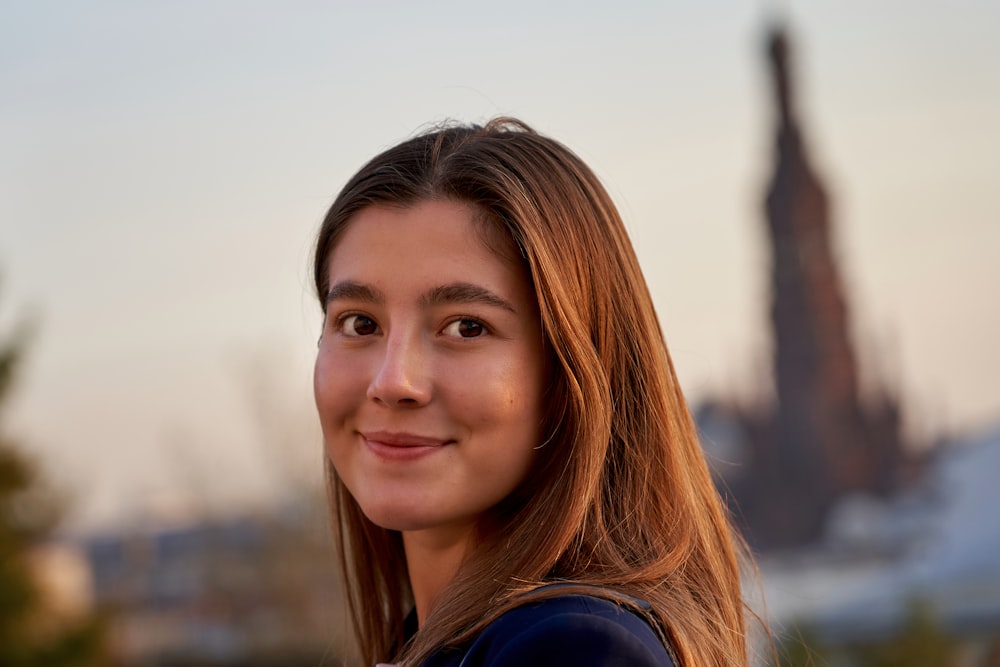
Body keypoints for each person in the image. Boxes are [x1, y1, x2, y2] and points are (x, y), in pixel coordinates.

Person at [312, 118, 749, 666]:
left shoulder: (572, 650)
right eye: (358, 323)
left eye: (466, 327)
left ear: (573, 373)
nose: (392, 380)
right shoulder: (438, 643)